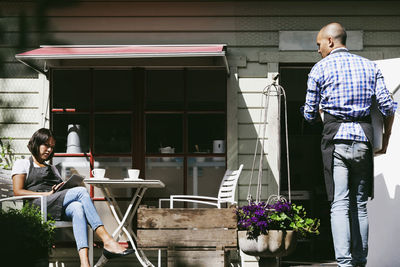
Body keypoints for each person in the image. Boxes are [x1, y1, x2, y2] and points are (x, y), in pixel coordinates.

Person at [302, 23, 397, 267]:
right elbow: (388, 107)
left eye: (319, 44)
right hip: (364, 141)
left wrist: (319, 112)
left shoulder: (319, 69)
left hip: (336, 141)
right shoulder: (370, 66)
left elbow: (310, 114)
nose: (318, 50)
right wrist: (383, 142)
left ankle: (344, 264)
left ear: (331, 41)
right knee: (360, 205)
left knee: (339, 203)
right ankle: (360, 261)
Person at [12, 128, 134, 267]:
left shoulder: (52, 168)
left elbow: (58, 192)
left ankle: (84, 263)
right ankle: (108, 240)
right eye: (46, 145)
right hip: (37, 205)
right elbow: (18, 191)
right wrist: (47, 194)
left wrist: (63, 188)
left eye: (52, 147)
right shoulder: (23, 163)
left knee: (78, 208)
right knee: (81, 191)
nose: (49, 150)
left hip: (54, 204)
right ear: (36, 143)